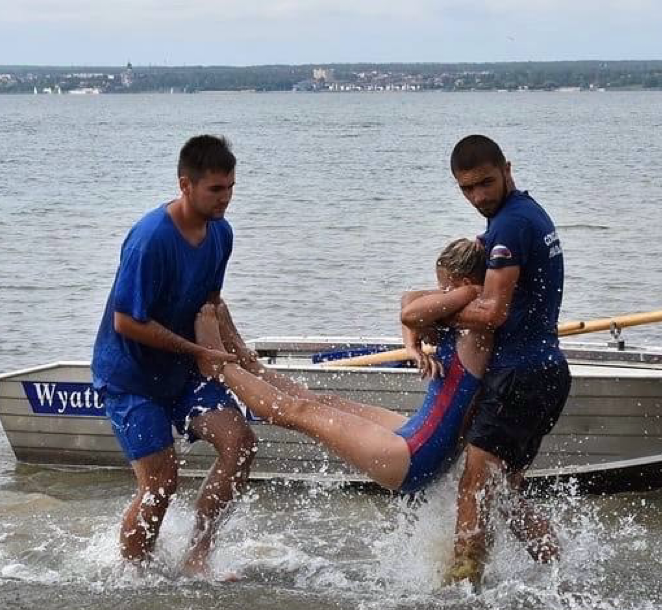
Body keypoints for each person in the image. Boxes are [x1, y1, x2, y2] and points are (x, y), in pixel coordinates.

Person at [192, 238, 491, 495]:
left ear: (466, 285)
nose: (440, 293)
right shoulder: (467, 316)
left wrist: (466, 294)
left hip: (414, 457)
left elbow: (410, 314)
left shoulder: (478, 329)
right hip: (420, 434)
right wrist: (412, 346)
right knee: (323, 401)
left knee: (297, 411)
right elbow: (409, 299)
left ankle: (217, 363)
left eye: (445, 287)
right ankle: (247, 361)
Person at [92, 134, 255, 576]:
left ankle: (198, 555)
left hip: (181, 372)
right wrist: (199, 350)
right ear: (186, 185)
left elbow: (212, 303)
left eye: (231, 187)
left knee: (240, 445)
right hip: (130, 378)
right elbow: (127, 321)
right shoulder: (151, 240)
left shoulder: (221, 233)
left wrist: (240, 352)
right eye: (215, 189)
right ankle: (133, 575)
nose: (226, 198)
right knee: (161, 485)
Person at [444, 135, 570, 585]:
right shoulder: (527, 214)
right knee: (502, 494)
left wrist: (439, 314)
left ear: (507, 170)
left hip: (520, 375)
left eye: (486, 183)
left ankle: (461, 588)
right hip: (546, 372)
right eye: (467, 188)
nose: (478, 196)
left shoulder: (511, 225)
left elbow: (493, 312)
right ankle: (559, 575)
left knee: (475, 486)